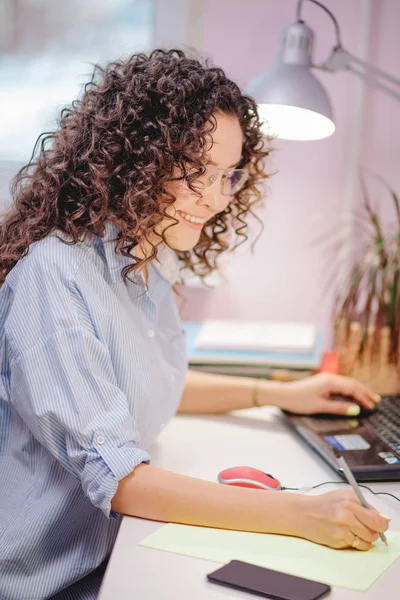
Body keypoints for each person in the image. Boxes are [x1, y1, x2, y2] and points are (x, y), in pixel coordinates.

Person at [0, 49, 388, 600]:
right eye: (194, 171)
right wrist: (299, 513)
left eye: (226, 175)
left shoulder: (142, 255)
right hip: (53, 579)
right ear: (136, 160)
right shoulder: (55, 276)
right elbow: (122, 481)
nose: (213, 199)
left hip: (114, 553)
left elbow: (139, 382)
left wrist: (278, 392)